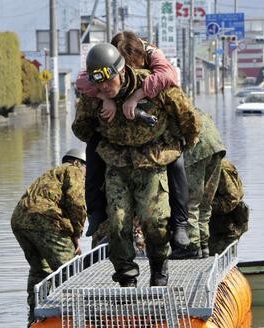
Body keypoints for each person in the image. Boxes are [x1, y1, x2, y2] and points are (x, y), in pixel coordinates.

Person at [74, 43, 200, 287]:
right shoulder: (95, 94)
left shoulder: (151, 85)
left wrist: (183, 142)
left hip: (151, 164)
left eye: (108, 82)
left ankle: (159, 269)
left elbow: (188, 116)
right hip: (117, 166)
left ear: (121, 71)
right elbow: (81, 128)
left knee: (154, 220)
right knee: (118, 223)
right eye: (98, 83)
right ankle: (126, 275)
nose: (103, 87)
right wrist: (101, 106)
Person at [10, 149, 87, 327]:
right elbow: (76, 202)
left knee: (41, 269)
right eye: (87, 167)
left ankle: (35, 318)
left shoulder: (50, 174)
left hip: (19, 221)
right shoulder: (73, 170)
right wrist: (76, 234)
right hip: (45, 220)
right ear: (78, 163)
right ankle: (73, 316)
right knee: (71, 269)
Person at [170, 110, 226, 259]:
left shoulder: (170, 110)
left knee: (190, 202)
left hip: (197, 151)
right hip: (216, 147)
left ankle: (192, 246)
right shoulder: (195, 109)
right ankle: (204, 246)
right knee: (205, 203)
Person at [208, 159, 249, 255]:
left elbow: (232, 199)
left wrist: (204, 206)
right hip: (212, 228)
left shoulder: (219, 166)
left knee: (219, 263)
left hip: (224, 229)